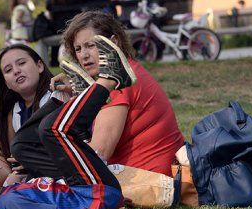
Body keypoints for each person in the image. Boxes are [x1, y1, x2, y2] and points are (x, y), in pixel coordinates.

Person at [0, 36, 149, 209]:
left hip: (89, 190)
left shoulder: (6, 198)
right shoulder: (8, 204)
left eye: (21, 63)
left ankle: (80, 95)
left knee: (21, 145)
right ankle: (110, 79)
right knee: (51, 129)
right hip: (97, 195)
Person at [52, 11, 185, 176]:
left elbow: (99, 153)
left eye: (90, 45)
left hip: (148, 178)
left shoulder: (117, 82)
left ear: (113, 42)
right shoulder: (128, 70)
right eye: (78, 49)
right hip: (155, 171)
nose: (84, 55)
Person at [0, 44, 66, 166]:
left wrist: (30, 161)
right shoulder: (13, 112)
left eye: (22, 63)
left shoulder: (59, 97)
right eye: (8, 70)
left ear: (39, 66)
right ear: (6, 83)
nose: (16, 71)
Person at [45, 0, 86, 66]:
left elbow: (48, 8)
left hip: (57, 29)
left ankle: (54, 61)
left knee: (58, 28)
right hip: (75, 28)